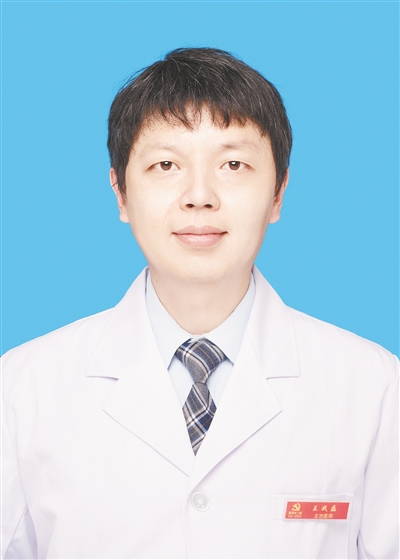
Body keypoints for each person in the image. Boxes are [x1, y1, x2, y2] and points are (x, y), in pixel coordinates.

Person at [2, 47, 398, 560]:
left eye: (233, 164)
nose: (199, 195)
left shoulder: (372, 387)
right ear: (121, 193)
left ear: (278, 193)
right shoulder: (22, 388)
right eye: (166, 164)